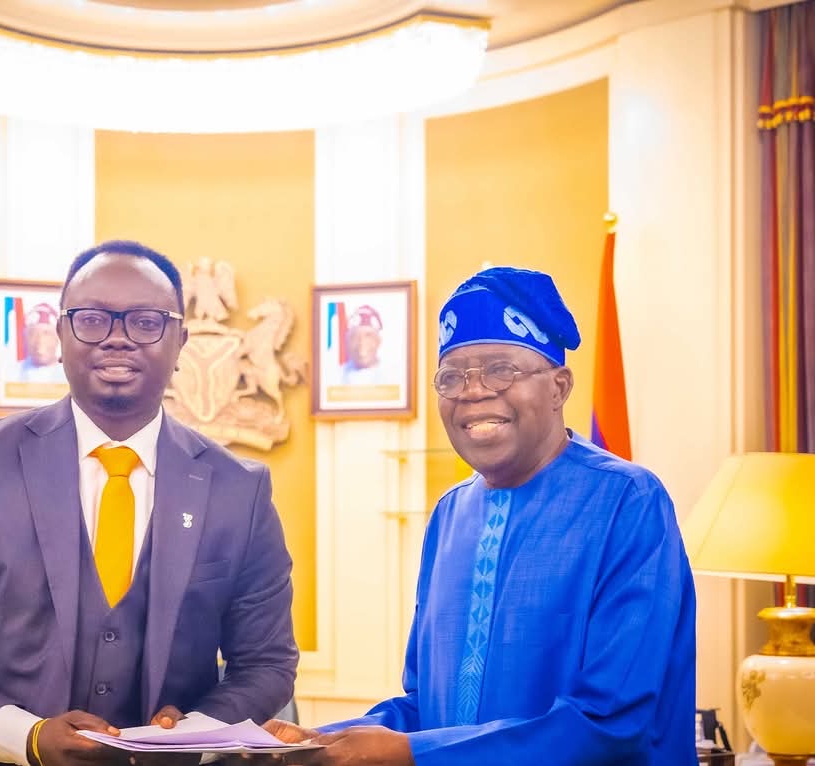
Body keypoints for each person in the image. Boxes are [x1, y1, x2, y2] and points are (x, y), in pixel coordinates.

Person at [263, 266, 697, 765]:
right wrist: (318, 739)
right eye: (452, 377)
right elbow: (425, 708)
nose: (472, 392)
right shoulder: (450, 515)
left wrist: (413, 754)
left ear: (559, 387)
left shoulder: (627, 501)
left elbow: (613, 722)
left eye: (500, 370)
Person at [0, 240, 298, 766]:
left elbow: (267, 663)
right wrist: (28, 737)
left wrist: (192, 738)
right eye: (91, 319)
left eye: (146, 322)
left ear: (181, 343)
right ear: (60, 336)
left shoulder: (240, 488)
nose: (117, 338)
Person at [13, 302, 67, 384]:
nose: (39, 341)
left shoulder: (69, 376)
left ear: (58, 338)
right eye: (33, 334)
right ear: (25, 338)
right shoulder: (12, 373)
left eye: (46, 334)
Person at [338, 306, 387, 386]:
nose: (361, 342)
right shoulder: (335, 377)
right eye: (355, 336)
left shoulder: (394, 376)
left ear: (378, 341)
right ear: (347, 341)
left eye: (368, 336)